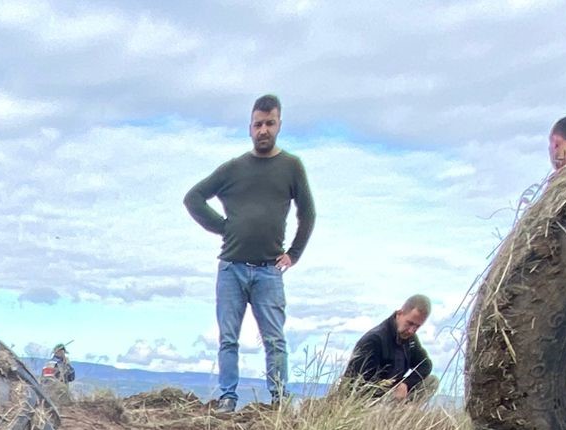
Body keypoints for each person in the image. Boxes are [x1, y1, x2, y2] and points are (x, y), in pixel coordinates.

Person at [183, 92, 315, 411]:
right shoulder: (233, 168)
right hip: (231, 267)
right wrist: (223, 226)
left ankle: (280, 400)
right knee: (228, 338)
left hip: (270, 270)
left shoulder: (291, 166)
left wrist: (294, 254)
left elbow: (307, 213)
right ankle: (228, 397)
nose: (263, 130)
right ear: (250, 128)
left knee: (275, 341)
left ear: (279, 124)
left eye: (269, 123)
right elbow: (194, 198)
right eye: (258, 124)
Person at [341, 295, 434, 401]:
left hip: (393, 392)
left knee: (431, 382)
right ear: (399, 314)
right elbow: (358, 385)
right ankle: (396, 414)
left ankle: (404, 414)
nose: (411, 330)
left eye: (417, 326)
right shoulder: (374, 340)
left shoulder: (410, 339)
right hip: (366, 399)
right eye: (410, 323)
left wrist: (406, 384)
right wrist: (389, 393)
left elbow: (425, 365)